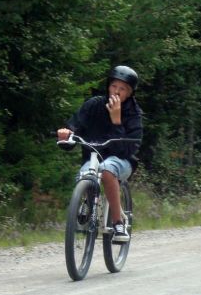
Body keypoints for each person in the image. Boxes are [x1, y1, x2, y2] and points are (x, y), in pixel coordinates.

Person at [57, 65, 143, 242]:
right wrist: (66, 134)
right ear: (108, 86)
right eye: (114, 86)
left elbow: (126, 150)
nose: (116, 92)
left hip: (122, 161)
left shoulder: (133, 114)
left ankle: (118, 223)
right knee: (85, 174)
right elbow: (74, 126)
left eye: (122, 89)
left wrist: (117, 120)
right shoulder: (94, 105)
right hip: (94, 157)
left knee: (106, 169)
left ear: (130, 93)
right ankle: (88, 202)